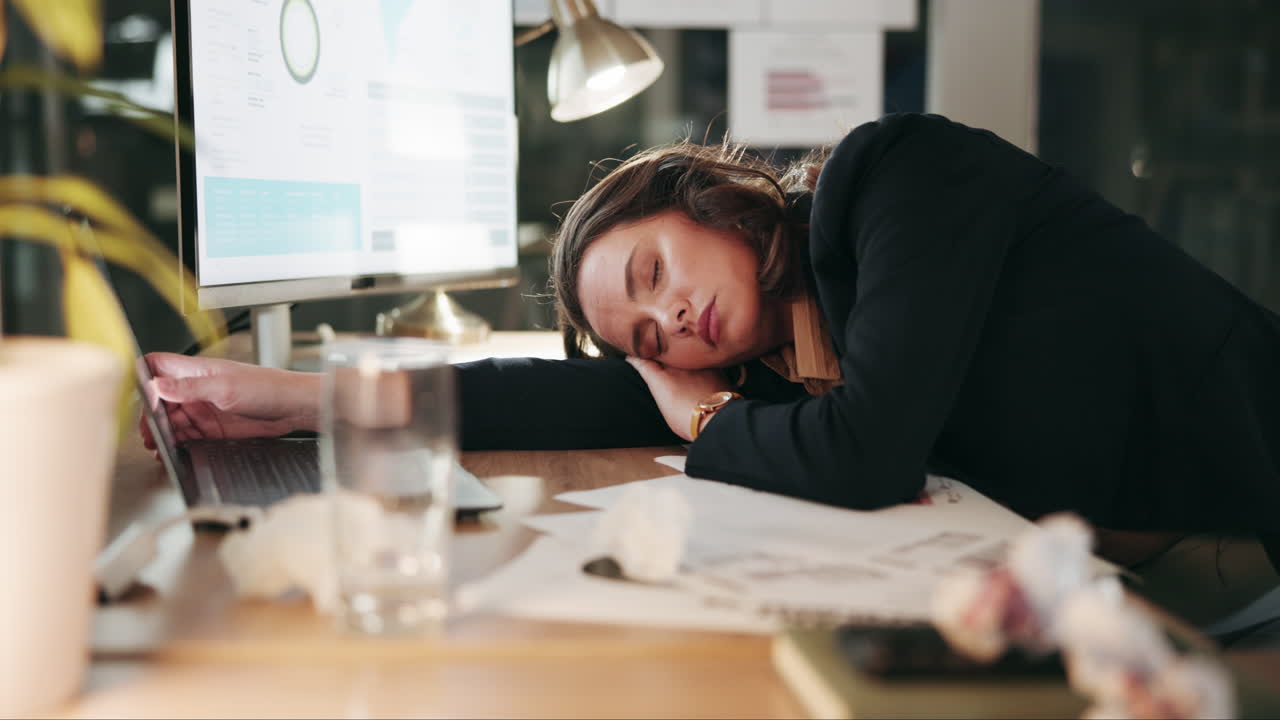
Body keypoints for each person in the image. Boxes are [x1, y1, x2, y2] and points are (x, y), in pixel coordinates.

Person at [143, 112, 1280, 572]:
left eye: (653, 274)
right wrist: (295, 399)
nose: (669, 321)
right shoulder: (776, 357)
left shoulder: (900, 181)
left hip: (1235, 534)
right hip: (1106, 577)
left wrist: (702, 416)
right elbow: (568, 400)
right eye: (642, 333)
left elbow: (865, 454)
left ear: (705, 201)